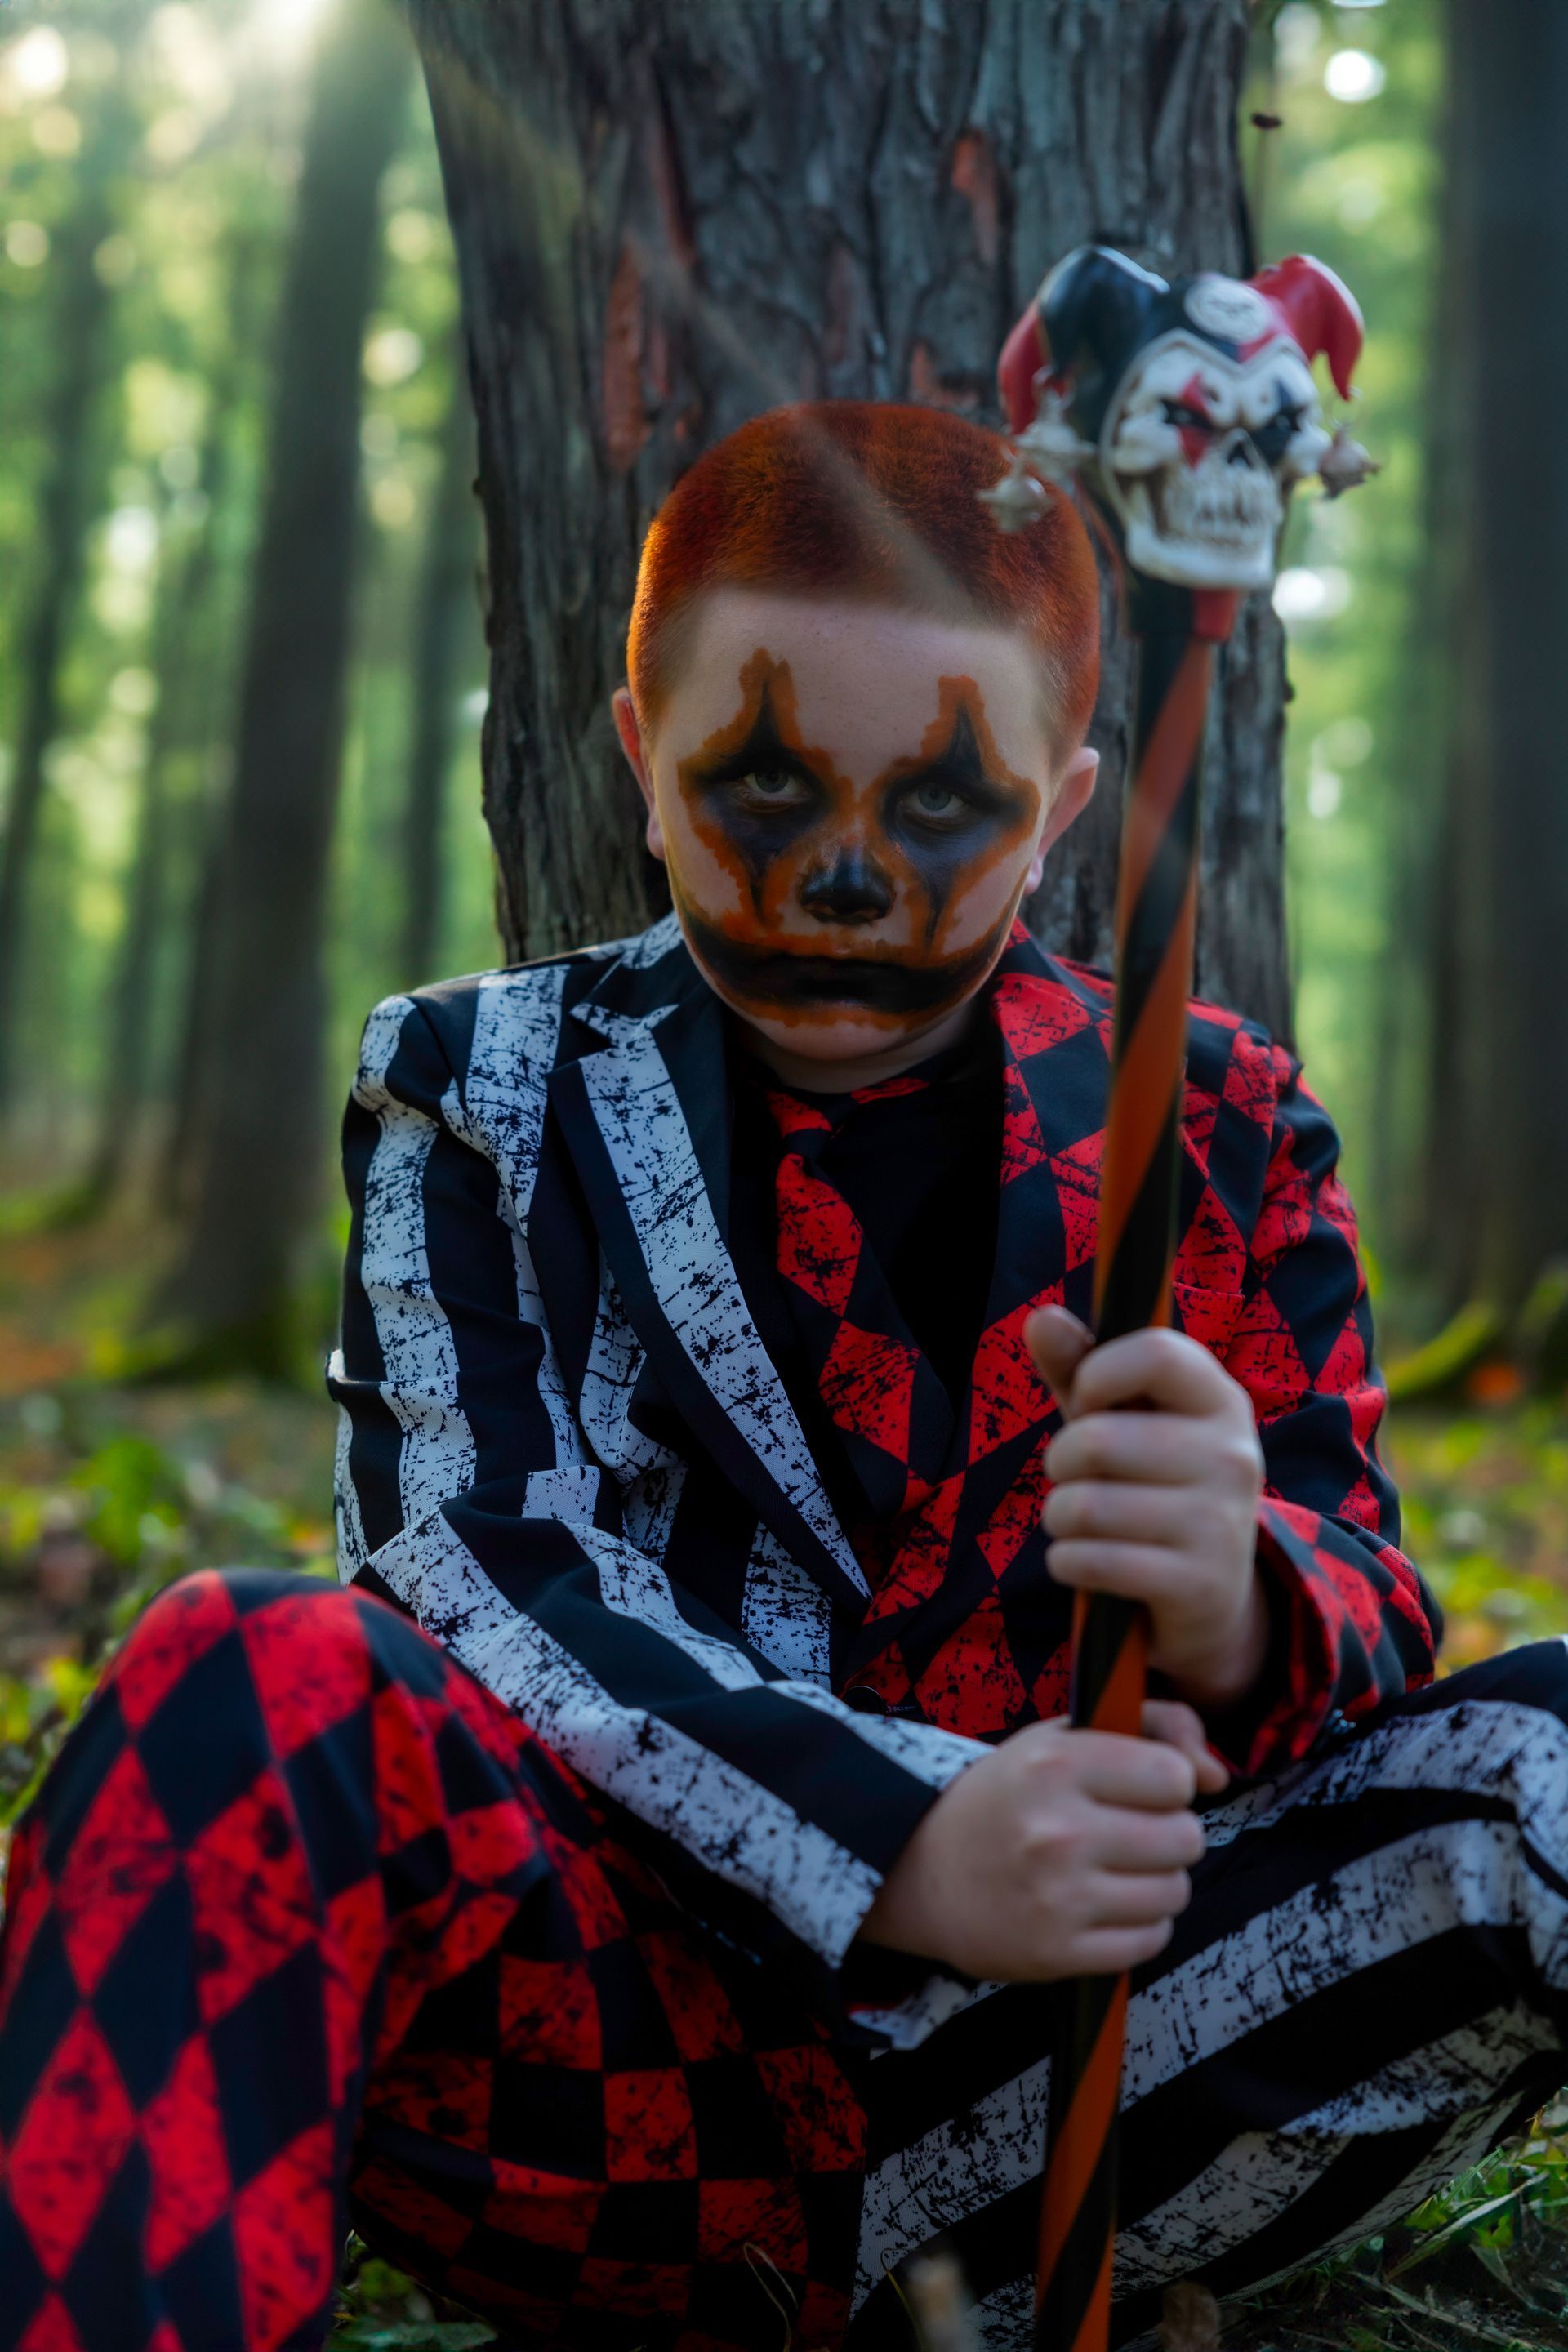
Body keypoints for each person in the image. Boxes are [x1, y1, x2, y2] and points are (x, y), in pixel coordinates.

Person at [3, 402, 1566, 2352]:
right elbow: (471, 1572)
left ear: (1065, 808)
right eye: (759, 786)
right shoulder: (475, 1087)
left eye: (938, 810)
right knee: (244, 1675)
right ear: (640, 756)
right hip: (610, 2095)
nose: (842, 880)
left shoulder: (1218, 1114)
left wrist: (1244, 1599)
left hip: (1119, 2083)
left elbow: (1368, 1582)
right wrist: (906, 1835)